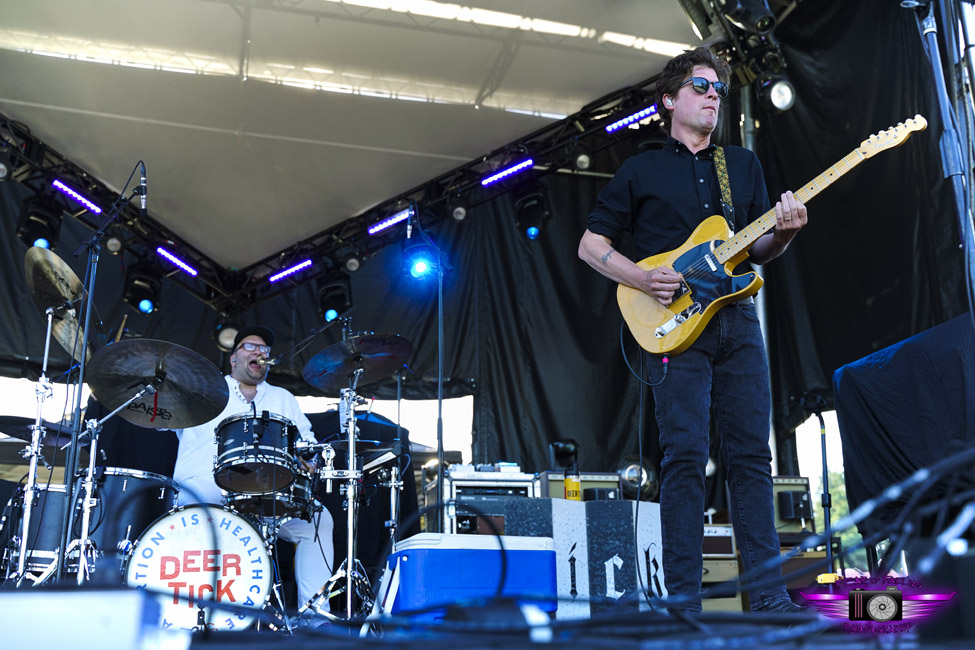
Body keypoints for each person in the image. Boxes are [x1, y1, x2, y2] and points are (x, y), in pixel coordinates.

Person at [578, 47, 807, 614]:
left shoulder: (742, 166)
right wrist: (643, 278)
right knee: (684, 456)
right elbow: (591, 245)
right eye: (702, 86)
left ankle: (769, 595)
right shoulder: (641, 170)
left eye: (719, 90)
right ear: (670, 100)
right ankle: (683, 602)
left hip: (736, 319)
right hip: (674, 327)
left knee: (753, 456)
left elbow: (758, 250)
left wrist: (786, 232)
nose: (713, 96)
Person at [172, 325, 333, 618]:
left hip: (269, 491)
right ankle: (190, 610)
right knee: (194, 501)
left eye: (264, 349)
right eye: (250, 346)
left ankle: (316, 616)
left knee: (319, 521)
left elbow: (307, 444)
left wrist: (310, 459)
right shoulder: (203, 389)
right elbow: (164, 412)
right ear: (233, 359)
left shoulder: (283, 398)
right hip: (208, 485)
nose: (259, 351)